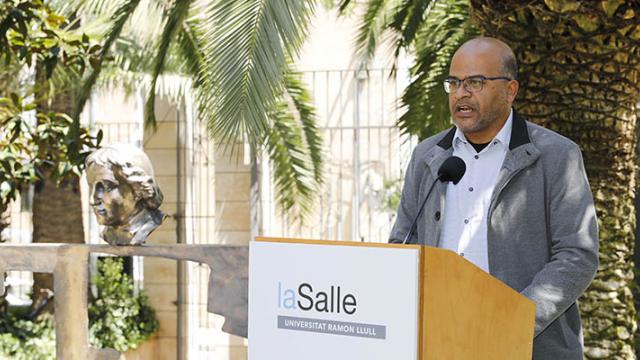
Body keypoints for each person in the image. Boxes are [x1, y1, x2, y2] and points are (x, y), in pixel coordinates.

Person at [389, 37, 599, 359]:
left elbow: (576, 255)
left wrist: (514, 318)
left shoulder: (556, 156)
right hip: (441, 340)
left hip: (527, 344)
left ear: (510, 90)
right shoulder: (427, 156)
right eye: (454, 83)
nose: (461, 93)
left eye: (475, 82)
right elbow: (403, 243)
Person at [86, 144, 165, 245]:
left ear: (138, 190)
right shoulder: (110, 232)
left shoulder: (152, 222)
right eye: (91, 186)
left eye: (107, 188)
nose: (92, 200)